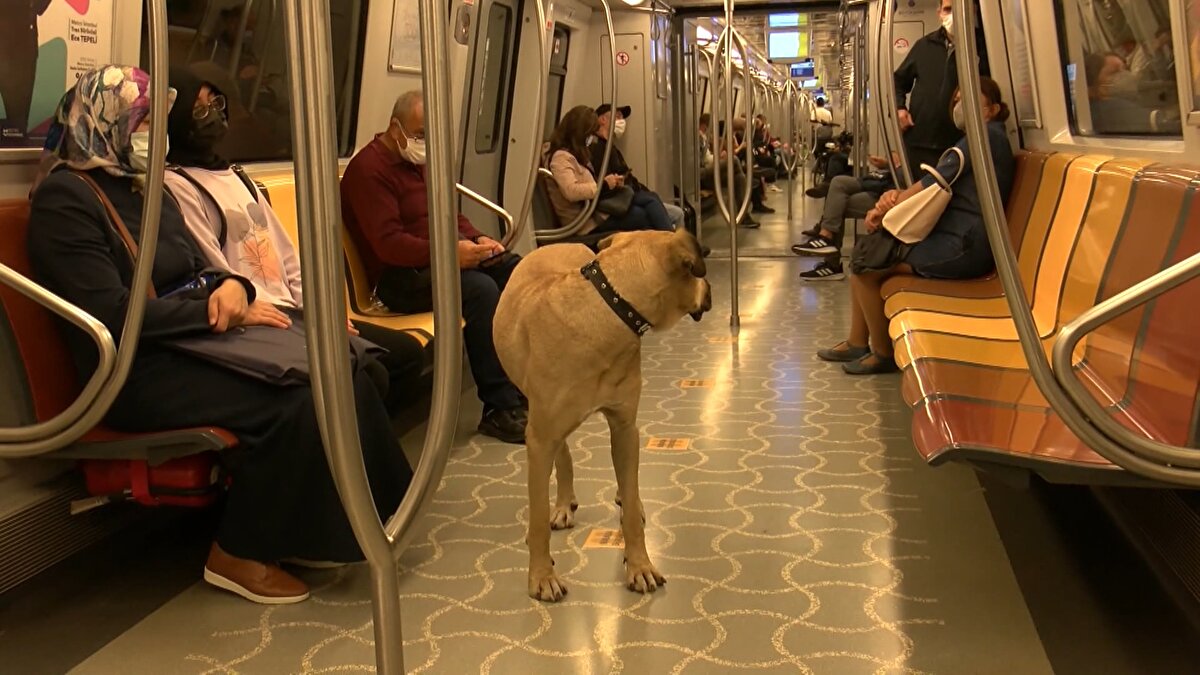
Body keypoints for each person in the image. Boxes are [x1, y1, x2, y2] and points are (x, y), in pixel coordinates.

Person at [27, 65, 413, 604]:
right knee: (297, 396)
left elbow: (196, 265)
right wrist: (220, 312)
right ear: (103, 123)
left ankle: (338, 521)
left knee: (340, 361)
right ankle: (237, 551)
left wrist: (235, 288)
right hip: (133, 371)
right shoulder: (64, 202)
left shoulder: (140, 189)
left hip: (187, 339)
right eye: (140, 124)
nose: (152, 138)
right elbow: (113, 314)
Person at [163, 66, 429, 413]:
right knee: (367, 371)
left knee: (404, 356)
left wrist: (320, 312)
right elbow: (215, 267)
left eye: (216, 103)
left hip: (293, 310)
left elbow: (286, 256)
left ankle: (352, 444)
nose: (214, 115)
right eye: (199, 110)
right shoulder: (179, 186)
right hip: (258, 315)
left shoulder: (234, 175)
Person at [341, 90, 527, 444]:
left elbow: (450, 216)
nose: (424, 143)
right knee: (479, 290)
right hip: (398, 278)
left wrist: (477, 240)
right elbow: (389, 244)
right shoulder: (368, 171)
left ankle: (521, 382)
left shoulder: (420, 165)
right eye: (420, 134)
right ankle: (498, 407)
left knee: (515, 271)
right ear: (396, 128)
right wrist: (449, 255)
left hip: (435, 261)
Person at [816, 77, 1015, 375]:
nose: (962, 106)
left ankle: (881, 353)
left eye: (971, 100)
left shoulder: (987, 136)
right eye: (958, 100)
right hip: (959, 235)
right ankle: (858, 342)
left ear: (993, 109)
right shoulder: (983, 135)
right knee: (865, 254)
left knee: (867, 267)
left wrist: (888, 206)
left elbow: (938, 179)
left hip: (964, 245)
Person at [893, 0, 988, 171]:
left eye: (960, 9)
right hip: (920, 140)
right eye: (948, 10)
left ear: (973, 11)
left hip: (962, 143)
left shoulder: (984, 47)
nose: (954, 15)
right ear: (939, 14)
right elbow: (898, 81)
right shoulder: (924, 46)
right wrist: (899, 108)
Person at [544, 105, 665, 234]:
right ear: (580, 133)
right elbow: (571, 191)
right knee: (645, 217)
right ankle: (674, 245)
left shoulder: (575, 154)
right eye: (589, 133)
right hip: (585, 221)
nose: (592, 137)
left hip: (592, 212)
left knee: (649, 203)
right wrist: (604, 185)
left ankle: (673, 244)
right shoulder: (560, 157)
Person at [793, 154, 898, 281]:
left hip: (891, 191)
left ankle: (830, 257)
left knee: (837, 203)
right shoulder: (906, 139)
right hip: (881, 182)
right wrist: (887, 163)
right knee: (838, 183)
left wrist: (896, 165)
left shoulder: (918, 140)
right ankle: (826, 239)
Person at [590, 103, 683, 230]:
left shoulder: (611, 147)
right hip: (617, 197)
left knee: (662, 204)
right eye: (617, 116)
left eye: (622, 118)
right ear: (602, 119)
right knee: (663, 208)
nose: (621, 121)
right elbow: (605, 181)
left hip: (628, 192)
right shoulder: (598, 148)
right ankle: (675, 244)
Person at [0, 0, 52, 144]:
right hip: (12, 45)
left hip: (22, 48)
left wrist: (30, 5)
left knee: (17, 126)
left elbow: (40, 7)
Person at [698, 113, 759, 228]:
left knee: (738, 178)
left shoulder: (706, 137)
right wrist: (719, 157)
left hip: (710, 167)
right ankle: (748, 177)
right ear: (704, 125)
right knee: (734, 159)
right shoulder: (699, 138)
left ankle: (743, 216)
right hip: (702, 172)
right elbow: (704, 161)